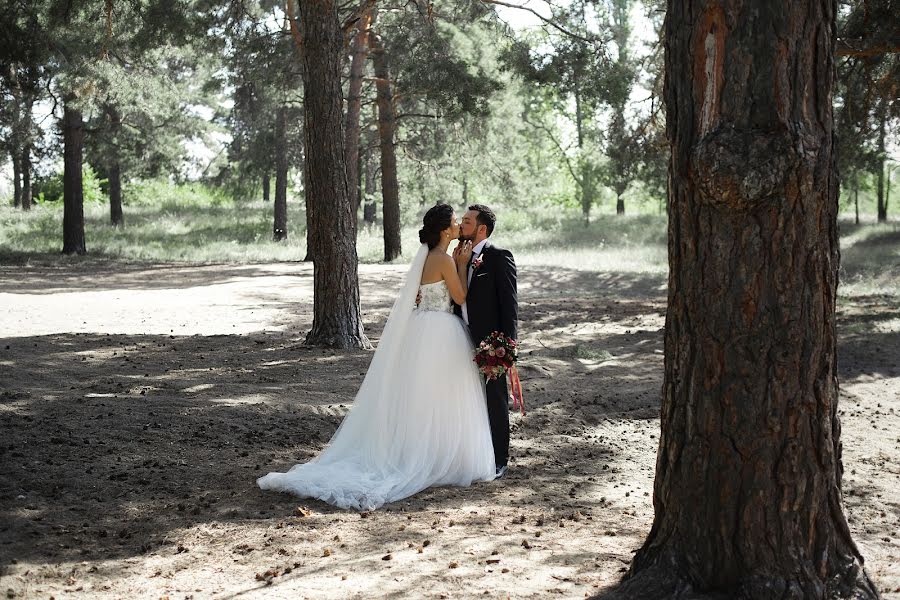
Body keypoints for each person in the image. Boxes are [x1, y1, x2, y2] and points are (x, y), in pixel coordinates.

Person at [257, 204, 496, 511]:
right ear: (443, 230)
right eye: (453, 223)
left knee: (421, 396)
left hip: (421, 328)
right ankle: (438, 455)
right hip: (440, 331)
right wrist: (461, 265)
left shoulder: (426, 257)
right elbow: (460, 297)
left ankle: (423, 450)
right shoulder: (444, 259)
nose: (456, 227)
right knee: (442, 395)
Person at [454, 204, 518, 478]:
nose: (460, 227)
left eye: (466, 222)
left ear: (482, 229)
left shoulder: (498, 257)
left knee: (495, 399)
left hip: (490, 342)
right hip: (457, 337)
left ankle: (499, 459)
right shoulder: (459, 256)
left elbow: (509, 305)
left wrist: (506, 347)